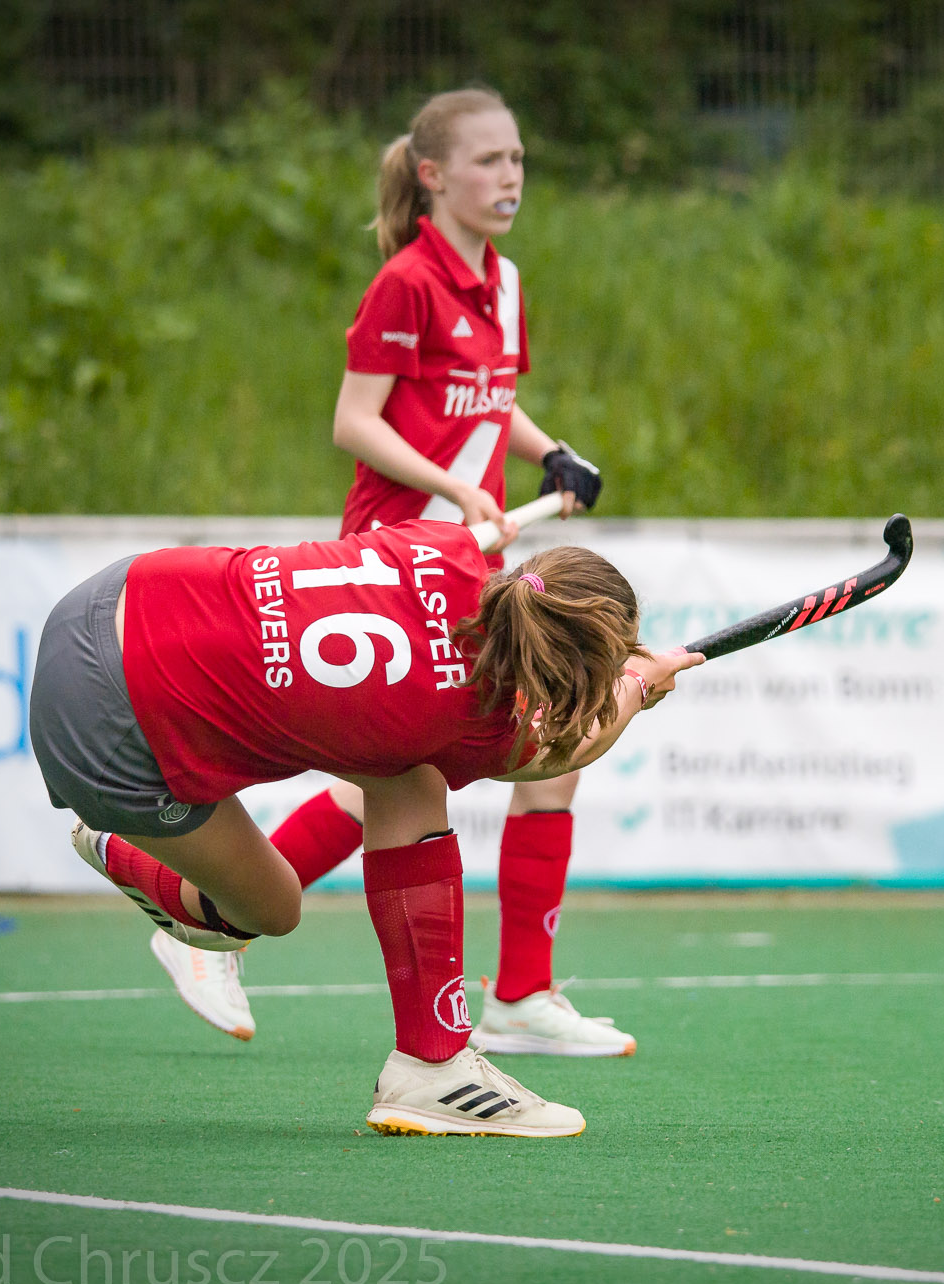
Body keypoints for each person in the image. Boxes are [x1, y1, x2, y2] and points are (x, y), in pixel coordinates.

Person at [147, 86, 623, 1058]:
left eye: (518, 159)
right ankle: (209, 923)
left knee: (547, 741)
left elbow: (488, 395)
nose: (510, 177)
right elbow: (353, 420)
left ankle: (520, 994)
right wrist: (455, 486)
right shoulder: (405, 282)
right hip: (395, 556)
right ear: (433, 175)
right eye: (488, 161)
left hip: (475, 564)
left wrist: (548, 451)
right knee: (399, 779)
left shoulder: (505, 281)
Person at [30, 520, 700, 1136]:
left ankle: (434, 1062)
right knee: (271, 909)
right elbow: (557, 756)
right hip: (100, 730)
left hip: (110, 597)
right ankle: (433, 1068)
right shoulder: (467, 715)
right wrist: (636, 689)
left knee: (407, 777)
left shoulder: (450, 545)